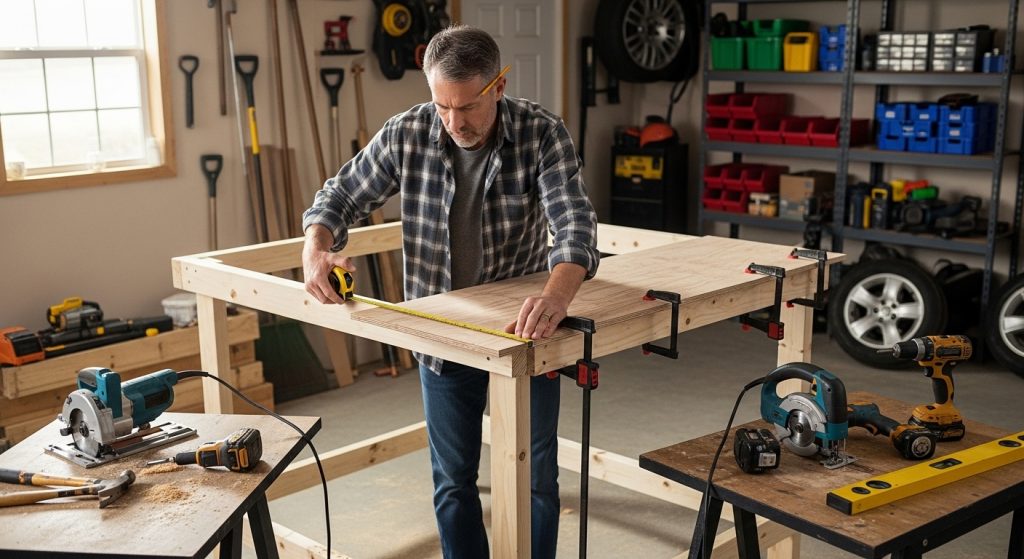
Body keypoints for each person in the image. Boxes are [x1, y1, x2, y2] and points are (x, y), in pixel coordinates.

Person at [300, 25, 599, 558]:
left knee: (536, 477)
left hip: (526, 330)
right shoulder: (407, 132)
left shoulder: (542, 133)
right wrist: (315, 249)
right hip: (442, 337)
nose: (453, 123)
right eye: (442, 106)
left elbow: (574, 225)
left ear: (498, 86)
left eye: (467, 107)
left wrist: (557, 297)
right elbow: (339, 195)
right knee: (454, 481)